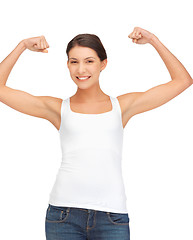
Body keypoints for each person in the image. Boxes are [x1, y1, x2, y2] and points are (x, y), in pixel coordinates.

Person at [0, 27, 192, 240]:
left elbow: (182, 81)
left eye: (89, 61)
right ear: (68, 65)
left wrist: (154, 40)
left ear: (103, 64)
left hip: (112, 217)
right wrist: (22, 46)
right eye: (74, 61)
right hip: (63, 215)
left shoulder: (122, 107)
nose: (81, 69)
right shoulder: (57, 109)